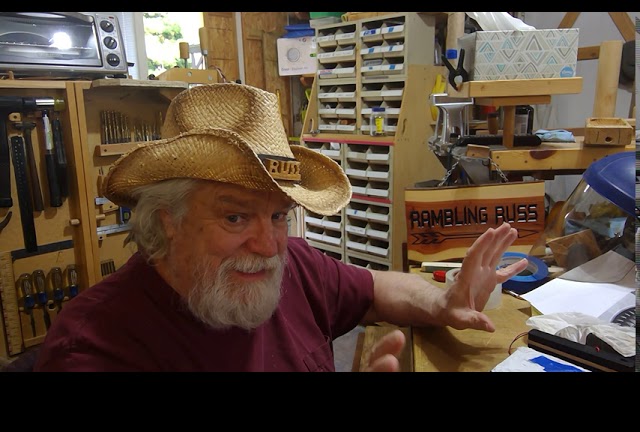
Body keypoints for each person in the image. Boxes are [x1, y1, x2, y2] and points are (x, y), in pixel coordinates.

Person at [33, 82, 527, 372]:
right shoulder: (96, 349)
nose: (269, 245)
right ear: (169, 219)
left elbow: (375, 288)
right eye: (235, 216)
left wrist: (442, 302)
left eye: (278, 215)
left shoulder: (294, 267)